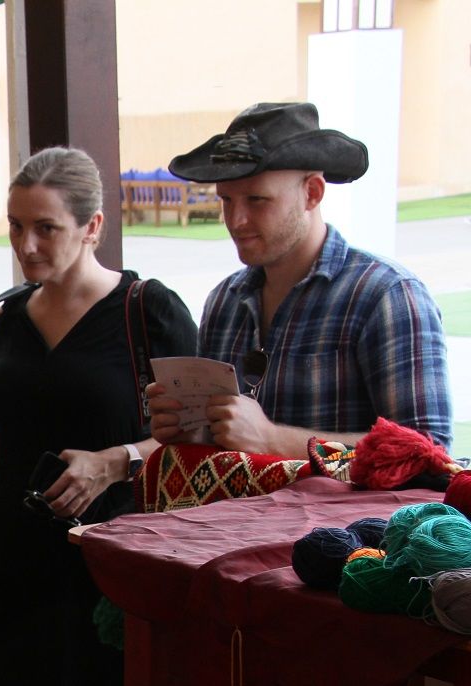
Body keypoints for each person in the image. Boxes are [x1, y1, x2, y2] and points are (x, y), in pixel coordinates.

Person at [0, 147, 198, 686]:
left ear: (92, 226)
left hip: (108, 555)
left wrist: (117, 460)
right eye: (16, 225)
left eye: (45, 227)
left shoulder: (148, 310)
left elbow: (196, 435)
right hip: (14, 552)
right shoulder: (10, 314)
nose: (26, 245)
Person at [147, 102, 451, 454]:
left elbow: (427, 451)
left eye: (257, 200)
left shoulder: (386, 296)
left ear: (313, 193)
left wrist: (273, 440)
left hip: (349, 512)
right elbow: (223, 447)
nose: (236, 219)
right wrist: (190, 430)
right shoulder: (223, 303)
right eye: (226, 201)